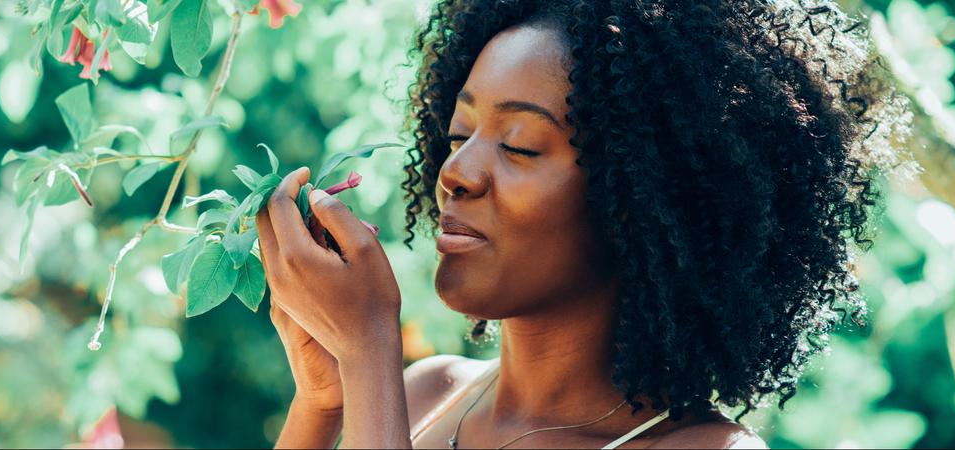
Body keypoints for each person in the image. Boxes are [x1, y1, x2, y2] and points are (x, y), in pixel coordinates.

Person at [257, 0, 913, 447]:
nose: (456, 171)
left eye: (517, 146)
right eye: (458, 132)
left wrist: (369, 352)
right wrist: (321, 402)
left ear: (641, 198)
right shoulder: (425, 395)